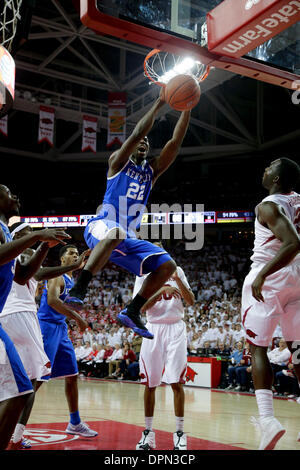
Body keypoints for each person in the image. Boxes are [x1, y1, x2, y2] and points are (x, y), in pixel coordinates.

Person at [64, 91, 191, 340]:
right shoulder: (117, 162)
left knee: (168, 265)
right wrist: (159, 103)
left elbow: (174, 144)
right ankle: (80, 287)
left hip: (125, 237)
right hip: (100, 227)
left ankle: (132, 310)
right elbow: (135, 134)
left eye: (147, 142)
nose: (143, 143)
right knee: (117, 232)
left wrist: (187, 106)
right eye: (140, 141)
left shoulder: (151, 173)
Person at [1, 222, 90, 449]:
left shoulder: (11, 253)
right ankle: (16, 437)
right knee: (30, 382)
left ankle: (18, 434)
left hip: (10, 315)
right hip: (24, 316)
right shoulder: (24, 250)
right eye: (28, 232)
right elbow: (39, 275)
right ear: (17, 234)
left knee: (16, 383)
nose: (32, 234)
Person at [0, 185, 70, 450]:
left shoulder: (6, 231)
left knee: (19, 390)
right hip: (17, 316)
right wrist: (37, 236)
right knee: (21, 389)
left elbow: (23, 275)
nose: (15, 196)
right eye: (8, 193)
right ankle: (15, 439)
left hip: (4, 319)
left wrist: (43, 244)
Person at [241, 158, 300, 450]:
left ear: (276, 179)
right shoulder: (298, 200)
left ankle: (267, 420)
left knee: (258, 347)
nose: (264, 169)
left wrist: (262, 274)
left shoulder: (267, 205)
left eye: (270, 167)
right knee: (297, 346)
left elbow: (292, 242)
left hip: (272, 273)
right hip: (298, 277)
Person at [133, 252, 195, 451]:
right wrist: (161, 291)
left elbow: (191, 300)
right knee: (150, 384)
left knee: (176, 382)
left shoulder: (178, 271)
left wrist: (178, 280)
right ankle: (148, 434)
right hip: (153, 328)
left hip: (176, 327)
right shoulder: (142, 276)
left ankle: (179, 433)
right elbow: (141, 307)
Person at [36, 244, 98, 438]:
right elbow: (53, 301)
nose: (76, 256)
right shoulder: (57, 275)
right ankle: (13, 422)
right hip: (46, 327)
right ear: (62, 259)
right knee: (37, 378)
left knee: (72, 375)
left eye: (77, 254)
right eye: (72, 253)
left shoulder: (72, 280)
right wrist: (77, 318)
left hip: (60, 329)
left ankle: (75, 422)